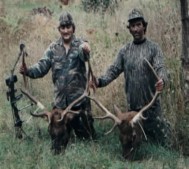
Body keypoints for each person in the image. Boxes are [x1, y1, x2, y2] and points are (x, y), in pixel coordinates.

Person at [92, 8, 172, 147]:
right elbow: (113, 70)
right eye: (133, 26)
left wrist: (162, 80)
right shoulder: (124, 51)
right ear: (129, 29)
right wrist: (99, 81)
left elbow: (161, 68)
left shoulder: (154, 48)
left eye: (139, 25)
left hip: (152, 110)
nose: (136, 29)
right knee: (131, 144)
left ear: (144, 26)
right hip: (132, 113)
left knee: (162, 145)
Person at [20, 12, 96, 140]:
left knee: (88, 138)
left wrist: (86, 48)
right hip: (60, 105)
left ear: (73, 28)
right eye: (63, 27)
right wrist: (28, 71)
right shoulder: (53, 48)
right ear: (59, 29)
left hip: (78, 104)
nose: (66, 30)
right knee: (58, 139)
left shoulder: (80, 45)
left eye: (68, 27)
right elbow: (42, 67)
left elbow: (85, 55)